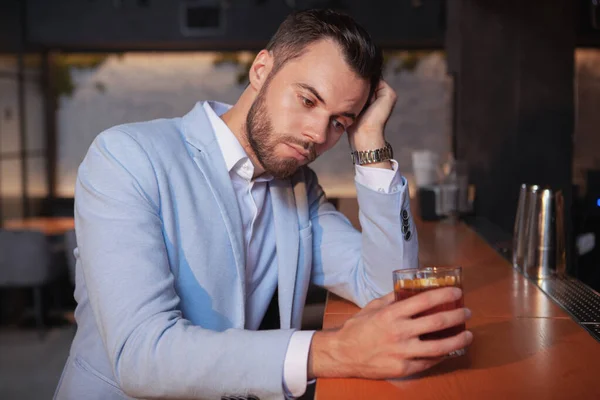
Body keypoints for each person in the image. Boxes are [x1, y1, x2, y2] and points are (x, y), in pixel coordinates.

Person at [54, 8, 472, 400]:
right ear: (261, 70)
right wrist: (333, 351)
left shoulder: (298, 188)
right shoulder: (126, 157)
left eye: (338, 122)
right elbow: (142, 355)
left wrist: (370, 144)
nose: (316, 134)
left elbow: (384, 287)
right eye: (308, 100)